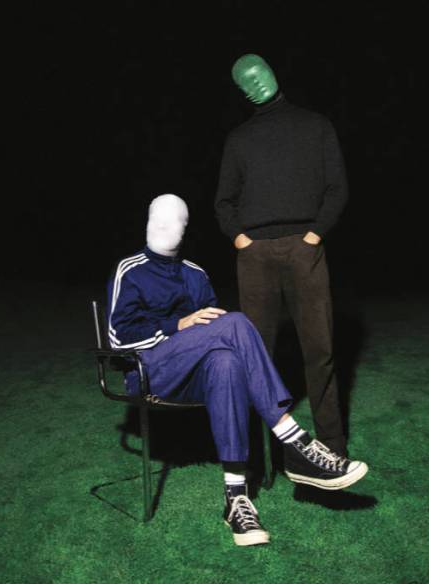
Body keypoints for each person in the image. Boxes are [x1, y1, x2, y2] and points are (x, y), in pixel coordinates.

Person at [108, 193, 368, 546]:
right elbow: (117, 340)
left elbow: (215, 340)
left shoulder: (195, 274)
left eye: (176, 221)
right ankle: (296, 441)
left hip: (191, 376)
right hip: (150, 372)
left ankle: (236, 499)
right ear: (147, 222)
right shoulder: (130, 269)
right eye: (159, 219)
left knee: (226, 362)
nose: (166, 228)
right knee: (236, 323)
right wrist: (177, 325)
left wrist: (200, 330)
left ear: (185, 229)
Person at [214, 53, 351, 458]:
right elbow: (223, 201)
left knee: (320, 350)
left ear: (274, 73)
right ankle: (259, 455)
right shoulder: (239, 139)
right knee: (257, 356)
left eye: (259, 74)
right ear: (241, 92)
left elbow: (337, 188)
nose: (255, 83)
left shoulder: (315, 125)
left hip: (303, 249)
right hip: (255, 256)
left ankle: (332, 446)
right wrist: (241, 239)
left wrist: (314, 235)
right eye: (245, 81)